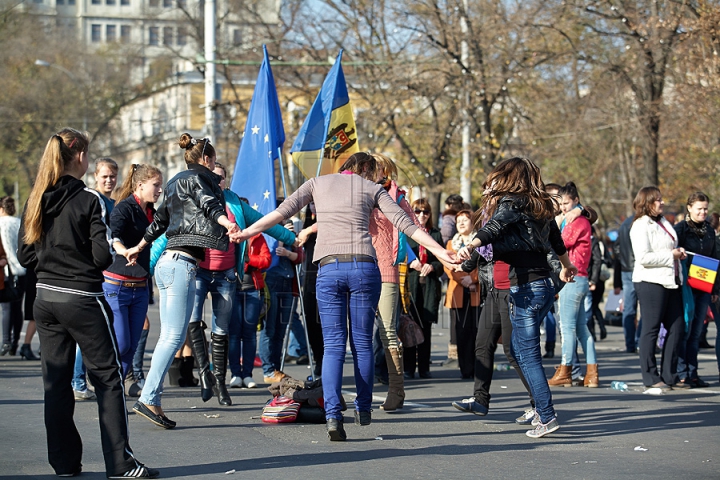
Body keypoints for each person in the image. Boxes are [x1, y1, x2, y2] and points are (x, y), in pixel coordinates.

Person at [236, 152, 456, 441]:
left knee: (334, 346)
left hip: (328, 268)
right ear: (364, 169)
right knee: (363, 342)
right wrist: (441, 252)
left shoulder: (317, 183)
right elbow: (406, 224)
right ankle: (363, 408)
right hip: (365, 267)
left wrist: (246, 232)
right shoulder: (372, 188)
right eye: (374, 172)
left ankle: (332, 416)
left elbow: (281, 213)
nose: (376, 178)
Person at [17, 128, 157, 478]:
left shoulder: (36, 198)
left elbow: (24, 255)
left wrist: (53, 265)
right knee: (109, 378)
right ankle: (121, 463)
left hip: (45, 299)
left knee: (56, 383)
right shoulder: (89, 199)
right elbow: (99, 256)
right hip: (82, 299)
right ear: (79, 156)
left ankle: (64, 463)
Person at [457, 157, 577, 439]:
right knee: (520, 352)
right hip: (544, 284)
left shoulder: (512, 202)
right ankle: (540, 410)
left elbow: (494, 227)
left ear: (510, 177)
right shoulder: (541, 204)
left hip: (525, 287)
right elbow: (556, 239)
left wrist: (470, 245)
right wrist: (567, 265)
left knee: (527, 354)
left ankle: (546, 415)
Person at [127, 134, 241, 428]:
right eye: (213, 162)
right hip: (180, 265)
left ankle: (153, 400)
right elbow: (208, 204)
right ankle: (149, 398)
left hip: (168, 263)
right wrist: (227, 222)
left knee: (171, 335)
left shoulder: (176, 182)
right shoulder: (199, 180)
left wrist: (139, 247)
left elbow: (159, 222)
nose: (215, 168)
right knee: (173, 337)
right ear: (206, 160)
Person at [190, 163, 296, 404]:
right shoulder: (196, 200)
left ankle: (220, 383)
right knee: (193, 321)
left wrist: (292, 237)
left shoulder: (235, 203)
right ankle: (205, 374)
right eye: (212, 177)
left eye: (221, 178)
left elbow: (265, 222)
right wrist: (146, 257)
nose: (217, 182)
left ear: (226, 181)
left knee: (222, 329)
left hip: (227, 274)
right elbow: (171, 228)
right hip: (200, 272)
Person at [103, 164, 163, 384]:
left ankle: (116, 388)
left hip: (140, 287)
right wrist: (124, 251)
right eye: (155, 185)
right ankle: (102, 380)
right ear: (140, 185)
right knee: (121, 343)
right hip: (117, 285)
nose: (159, 190)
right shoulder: (124, 208)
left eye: (161, 186)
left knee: (132, 344)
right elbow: (113, 236)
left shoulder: (152, 213)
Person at [629, 186, 686, 390]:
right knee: (651, 329)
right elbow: (643, 258)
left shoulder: (663, 222)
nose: (661, 203)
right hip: (650, 281)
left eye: (661, 199)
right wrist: (672, 255)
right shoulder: (639, 225)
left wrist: (677, 252)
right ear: (647, 203)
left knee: (678, 326)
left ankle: (670, 375)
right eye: (657, 200)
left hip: (671, 280)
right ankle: (651, 377)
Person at [72, 157, 119, 400]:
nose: (109, 180)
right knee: (89, 332)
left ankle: (82, 380)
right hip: (93, 274)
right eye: (105, 176)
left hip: (107, 272)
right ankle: (78, 381)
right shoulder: (93, 200)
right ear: (95, 177)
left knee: (96, 331)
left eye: (112, 176)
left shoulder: (112, 202)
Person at [548, 182, 598, 388]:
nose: (563, 208)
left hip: (572, 276)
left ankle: (565, 369)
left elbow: (560, 242)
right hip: (580, 277)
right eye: (561, 204)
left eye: (567, 203)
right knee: (580, 328)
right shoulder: (580, 219)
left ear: (576, 201)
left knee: (566, 326)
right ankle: (591, 373)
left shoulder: (577, 222)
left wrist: (560, 220)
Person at [674, 192, 718, 388]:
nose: (703, 212)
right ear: (689, 208)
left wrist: (715, 289)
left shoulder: (709, 231)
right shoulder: (681, 229)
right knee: (685, 329)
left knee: (696, 332)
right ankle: (681, 372)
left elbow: (715, 259)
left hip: (704, 285)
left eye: (705, 209)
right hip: (685, 285)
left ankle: (693, 373)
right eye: (699, 208)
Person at [258, 218, 303, 385]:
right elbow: (269, 254)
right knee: (269, 328)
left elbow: (300, 257)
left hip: (288, 285)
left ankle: (275, 368)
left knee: (281, 330)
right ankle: (268, 368)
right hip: (271, 282)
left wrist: (290, 248)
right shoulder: (269, 231)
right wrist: (281, 237)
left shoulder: (291, 234)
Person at [443, 209, 481, 379]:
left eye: (466, 220)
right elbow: (448, 266)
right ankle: (465, 369)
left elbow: (483, 265)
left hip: (476, 290)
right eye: (459, 220)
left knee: (477, 331)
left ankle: (478, 368)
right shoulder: (451, 243)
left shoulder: (479, 242)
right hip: (457, 292)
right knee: (461, 331)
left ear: (473, 223)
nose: (462, 223)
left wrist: (472, 279)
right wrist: (463, 279)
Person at [0, 196, 35, 359]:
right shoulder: (18, 222)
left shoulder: (2, 223)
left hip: (9, 269)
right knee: (17, 306)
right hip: (23, 269)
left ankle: (6, 341)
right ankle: (15, 343)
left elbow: (6, 248)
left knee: (6, 306)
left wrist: (9, 265)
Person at [615, 214, 641, 353]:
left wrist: (623, 260)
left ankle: (630, 343)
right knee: (647, 310)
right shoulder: (641, 222)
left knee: (629, 309)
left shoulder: (625, 223)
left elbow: (616, 247)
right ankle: (639, 341)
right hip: (639, 267)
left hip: (626, 268)